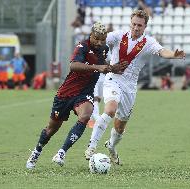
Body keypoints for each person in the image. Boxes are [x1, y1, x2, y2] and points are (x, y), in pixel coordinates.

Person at [84, 10, 186, 164]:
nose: (136, 27)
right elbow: (100, 40)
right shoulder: (118, 36)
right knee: (110, 109)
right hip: (113, 79)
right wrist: (89, 46)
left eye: (139, 25)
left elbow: (162, 51)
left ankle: (111, 147)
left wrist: (173, 54)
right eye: (134, 24)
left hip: (130, 87)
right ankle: (91, 146)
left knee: (120, 126)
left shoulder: (148, 42)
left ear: (145, 26)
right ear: (130, 23)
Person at [26, 22, 128, 169]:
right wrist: (97, 67)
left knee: (86, 115)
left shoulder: (104, 49)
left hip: (84, 93)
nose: (100, 43)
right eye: (97, 39)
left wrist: (113, 68)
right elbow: (73, 65)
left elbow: (102, 64)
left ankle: (61, 152)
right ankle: (36, 151)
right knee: (51, 129)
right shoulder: (82, 47)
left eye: (103, 40)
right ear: (91, 35)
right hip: (66, 93)